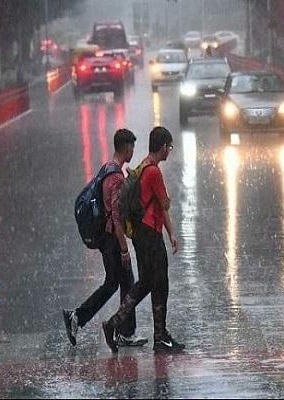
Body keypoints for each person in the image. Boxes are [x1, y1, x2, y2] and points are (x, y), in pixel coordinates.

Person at [102, 126, 184, 353]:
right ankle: (160, 336)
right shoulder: (154, 172)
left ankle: (113, 324)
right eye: (169, 146)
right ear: (163, 147)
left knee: (146, 283)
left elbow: (158, 206)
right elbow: (164, 203)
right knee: (161, 284)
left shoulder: (144, 168)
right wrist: (167, 205)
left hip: (141, 234)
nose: (170, 151)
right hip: (150, 235)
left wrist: (171, 233)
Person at [63, 129, 147, 348]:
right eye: (132, 147)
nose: (133, 151)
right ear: (126, 147)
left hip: (105, 237)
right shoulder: (116, 178)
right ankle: (124, 332)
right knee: (126, 281)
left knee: (113, 283)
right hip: (111, 239)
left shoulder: (107, 169)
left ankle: (79, 318)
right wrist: (124, 250)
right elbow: (117, 218)